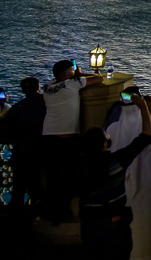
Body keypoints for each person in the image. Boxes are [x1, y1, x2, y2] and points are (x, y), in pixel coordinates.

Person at [104, 79, 151, 260]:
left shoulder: (112, 128)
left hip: (123, 183)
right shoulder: (150, 123)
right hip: (149, 179)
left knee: (131, 221)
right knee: (149, 218)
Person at [77, 93, 151, 260]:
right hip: (115, 222)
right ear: (105, 144)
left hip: (89, 222)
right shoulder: (117, 161)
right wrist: (143, 108)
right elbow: (146, 136)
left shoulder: (77, 165)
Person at [43, 58, 105, 222]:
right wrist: (80, 73)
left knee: (52, 177)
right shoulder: (73, 84)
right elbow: (100, 78)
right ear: (66, 74)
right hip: (67, 137)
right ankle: (64, 211)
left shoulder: (47, 86)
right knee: (70, 177)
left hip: (48, 136)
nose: (74, 71)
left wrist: (73, 73)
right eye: (72, 69)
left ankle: (51, 212)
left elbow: (57, 79)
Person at [2, 76, 45, 210]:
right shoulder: (46, 103)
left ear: (22, 90)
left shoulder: (16, 108)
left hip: (20, 153)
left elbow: (8, 129)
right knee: (37, 187)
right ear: (38, 88)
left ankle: (17, 220)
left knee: (18, 189)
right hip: (39, 151)